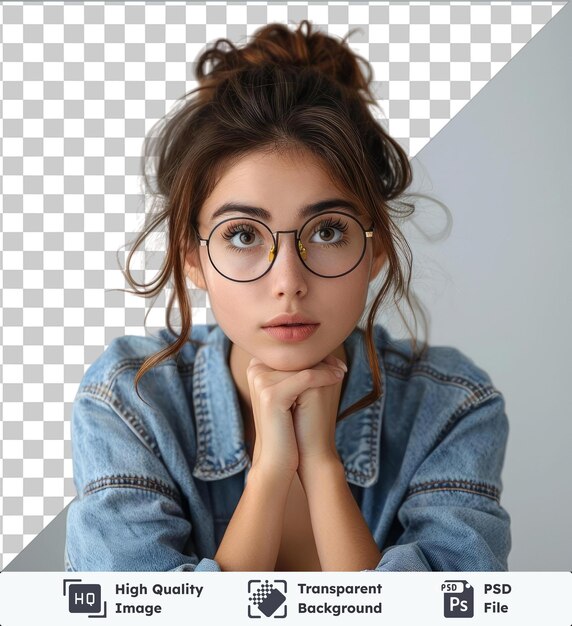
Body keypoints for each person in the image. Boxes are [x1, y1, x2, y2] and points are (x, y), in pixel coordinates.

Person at [65, 20, 511, 572]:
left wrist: (322, 466)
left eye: (326, 231)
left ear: (376, 250)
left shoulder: (451, 408)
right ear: (192, 257)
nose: (288, 281)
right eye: (244, 235)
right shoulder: (131, 403)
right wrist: (270, 474)